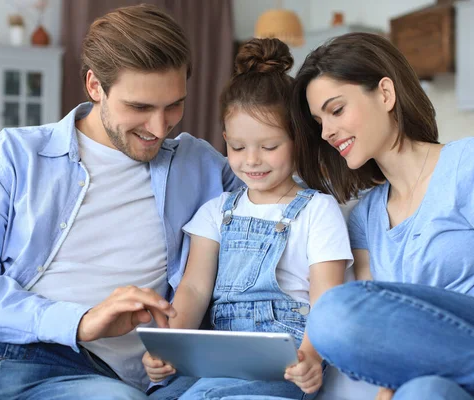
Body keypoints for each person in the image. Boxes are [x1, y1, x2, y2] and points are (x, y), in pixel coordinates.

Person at [0, 4, 241, 400]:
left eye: (173, 105)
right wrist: (79, 320)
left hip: (79, 374)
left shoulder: (200, 166)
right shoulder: (15, 154)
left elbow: (287, 189)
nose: (159, 126)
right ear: (94, 86)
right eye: (139, 107)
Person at [290, 31, 474, 400]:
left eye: (337, 110)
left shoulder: (470, 161)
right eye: (319, 122)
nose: (326, 132)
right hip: (459, 380)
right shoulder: (365, 217)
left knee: (332, 313)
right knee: (422, 392)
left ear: (386, 94)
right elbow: (388, 338)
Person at [142, 38, 352, 399]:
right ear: (225, 140)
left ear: (299, 139)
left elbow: (326, 301)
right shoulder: (216, 211)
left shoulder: (318, 211)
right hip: (218, 366)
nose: (251, 160)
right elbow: (193, 288)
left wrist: (312, 358)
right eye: (237, 148)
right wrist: (168, 347)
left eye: (269, 147)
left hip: (285, 370)